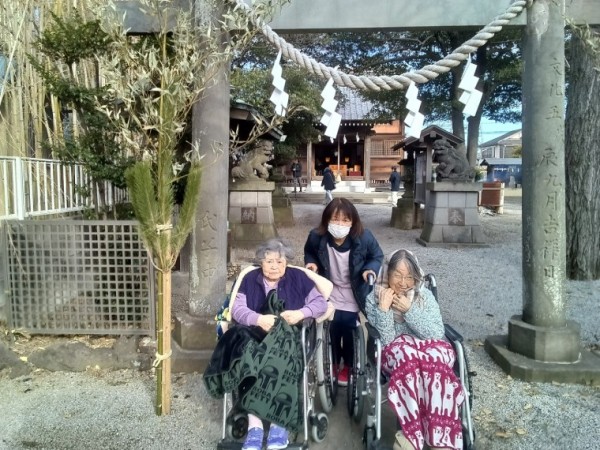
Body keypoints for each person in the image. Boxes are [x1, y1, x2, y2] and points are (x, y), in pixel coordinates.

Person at [204, 238, 328, 450]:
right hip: (255, 333)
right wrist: (258, 319)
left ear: (286, 263)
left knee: (279, 356)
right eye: (269, 261)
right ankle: (255, 426)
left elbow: (320, 304)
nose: (274, 266)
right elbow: (237, 309)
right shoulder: (249, 278)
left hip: (288, 336)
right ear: (260, 262)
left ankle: (279, 425)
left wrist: (300, 313)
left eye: (280, 262)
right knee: (246, 358)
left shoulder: (299, 277)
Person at [364, 249, 465, 450]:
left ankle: (441, 437)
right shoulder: (374, 298)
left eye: (409, 276)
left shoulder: (425, 296)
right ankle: (410, 435)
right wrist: (384, 310)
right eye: (397, 275)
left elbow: (436, 332)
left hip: (431, 346)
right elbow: (386, 341)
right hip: (398, 348)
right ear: (387, 273)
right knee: (408, 359)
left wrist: (409, 310)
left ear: (416, 276)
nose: (403, 282)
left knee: (436, 364)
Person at [304, 198, 383, 386]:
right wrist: (311, 263)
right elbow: (310, 252)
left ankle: (347, 365)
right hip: (330, 287)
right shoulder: (316, 237)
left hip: (354, 289)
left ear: (353, 222)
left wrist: (370, 269)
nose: (340, 224)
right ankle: (332, 362)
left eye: (345, 220)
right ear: (326, 220)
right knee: (331, 325)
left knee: (348, 326)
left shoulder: (364, 237)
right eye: (335, 219)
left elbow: (376, 255)